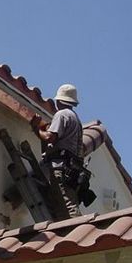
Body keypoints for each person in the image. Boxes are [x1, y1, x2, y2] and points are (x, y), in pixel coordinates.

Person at [31, 83, 84, 218]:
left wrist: (36, 128)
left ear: (59, 100)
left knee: (67, 206)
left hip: (60, 167)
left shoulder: (62, 115)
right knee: (62, 203)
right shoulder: (75, 119)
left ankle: (77, 232)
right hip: (71, 169)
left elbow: (50, 138)